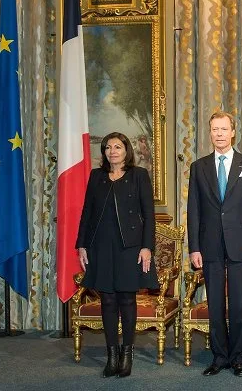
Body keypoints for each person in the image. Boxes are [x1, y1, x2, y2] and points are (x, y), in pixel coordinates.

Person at [187, 111, 242, 377]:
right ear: (210, 133)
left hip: (241, 246)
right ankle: (219, 356)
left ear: (233, 132)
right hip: (209, 245)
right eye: (214, 129)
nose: (219, 134)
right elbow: (193, 210)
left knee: (239, 303)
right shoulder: (199, 167)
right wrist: (193, 247)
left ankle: (239, 357)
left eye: (224, 129)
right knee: (215, 304)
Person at [76, 132, 158, 378]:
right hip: (101, 246)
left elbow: (149, 215)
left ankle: (127, 354)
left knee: (126, 299)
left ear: (126, 150)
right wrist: (82, 245)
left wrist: (147, 247)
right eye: (108, 147)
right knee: (107, 300)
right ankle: (112, 356)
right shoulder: (96, 176)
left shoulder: (139, 175)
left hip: (130, 247)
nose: (113, 151)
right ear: (104, 152)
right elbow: (87, 212)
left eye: (118, 147)